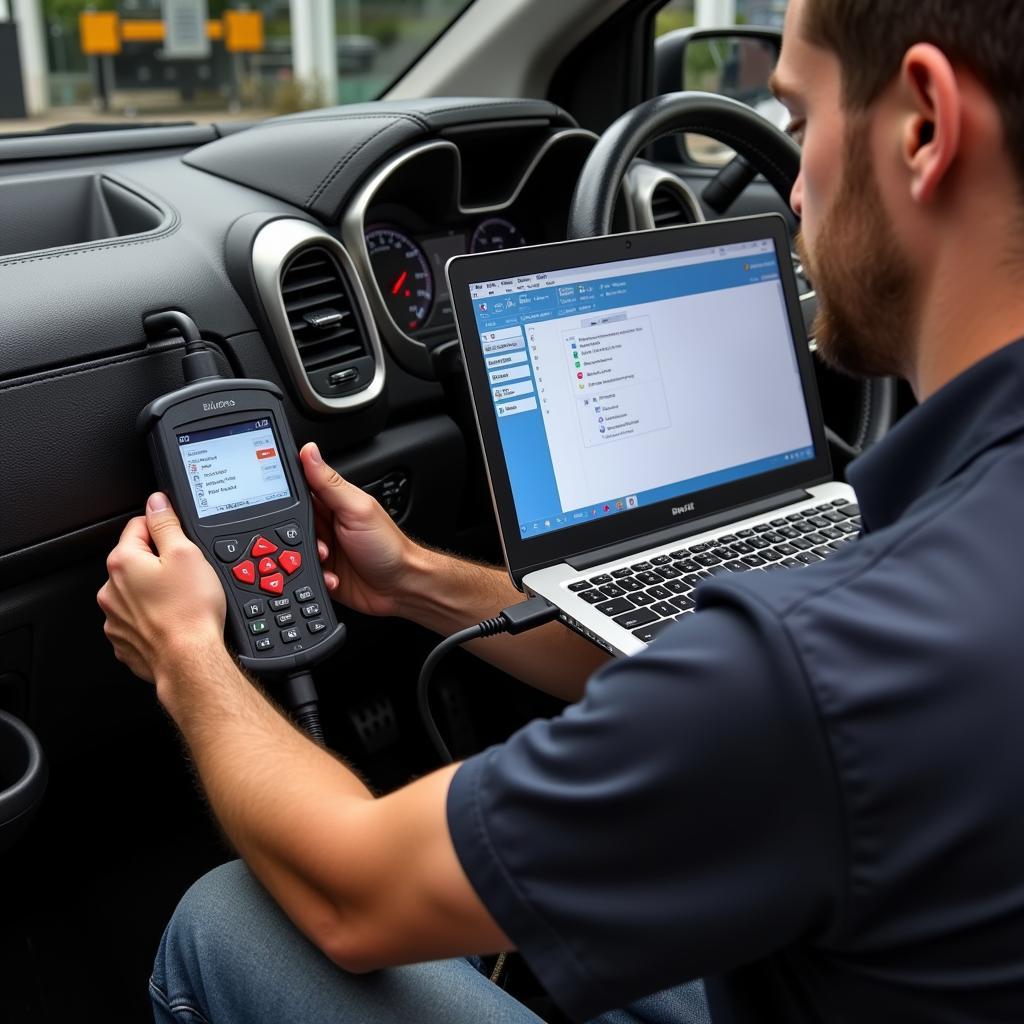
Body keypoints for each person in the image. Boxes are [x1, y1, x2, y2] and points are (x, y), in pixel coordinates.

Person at [98, 0, 1024, 1020]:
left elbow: (349, 895)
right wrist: (418, 578)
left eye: (798, 123)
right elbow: (714, 699)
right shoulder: (916, 565)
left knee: (229, 918)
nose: (793, 191)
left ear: (924, 127)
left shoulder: (827, 666)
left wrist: (187, 652)